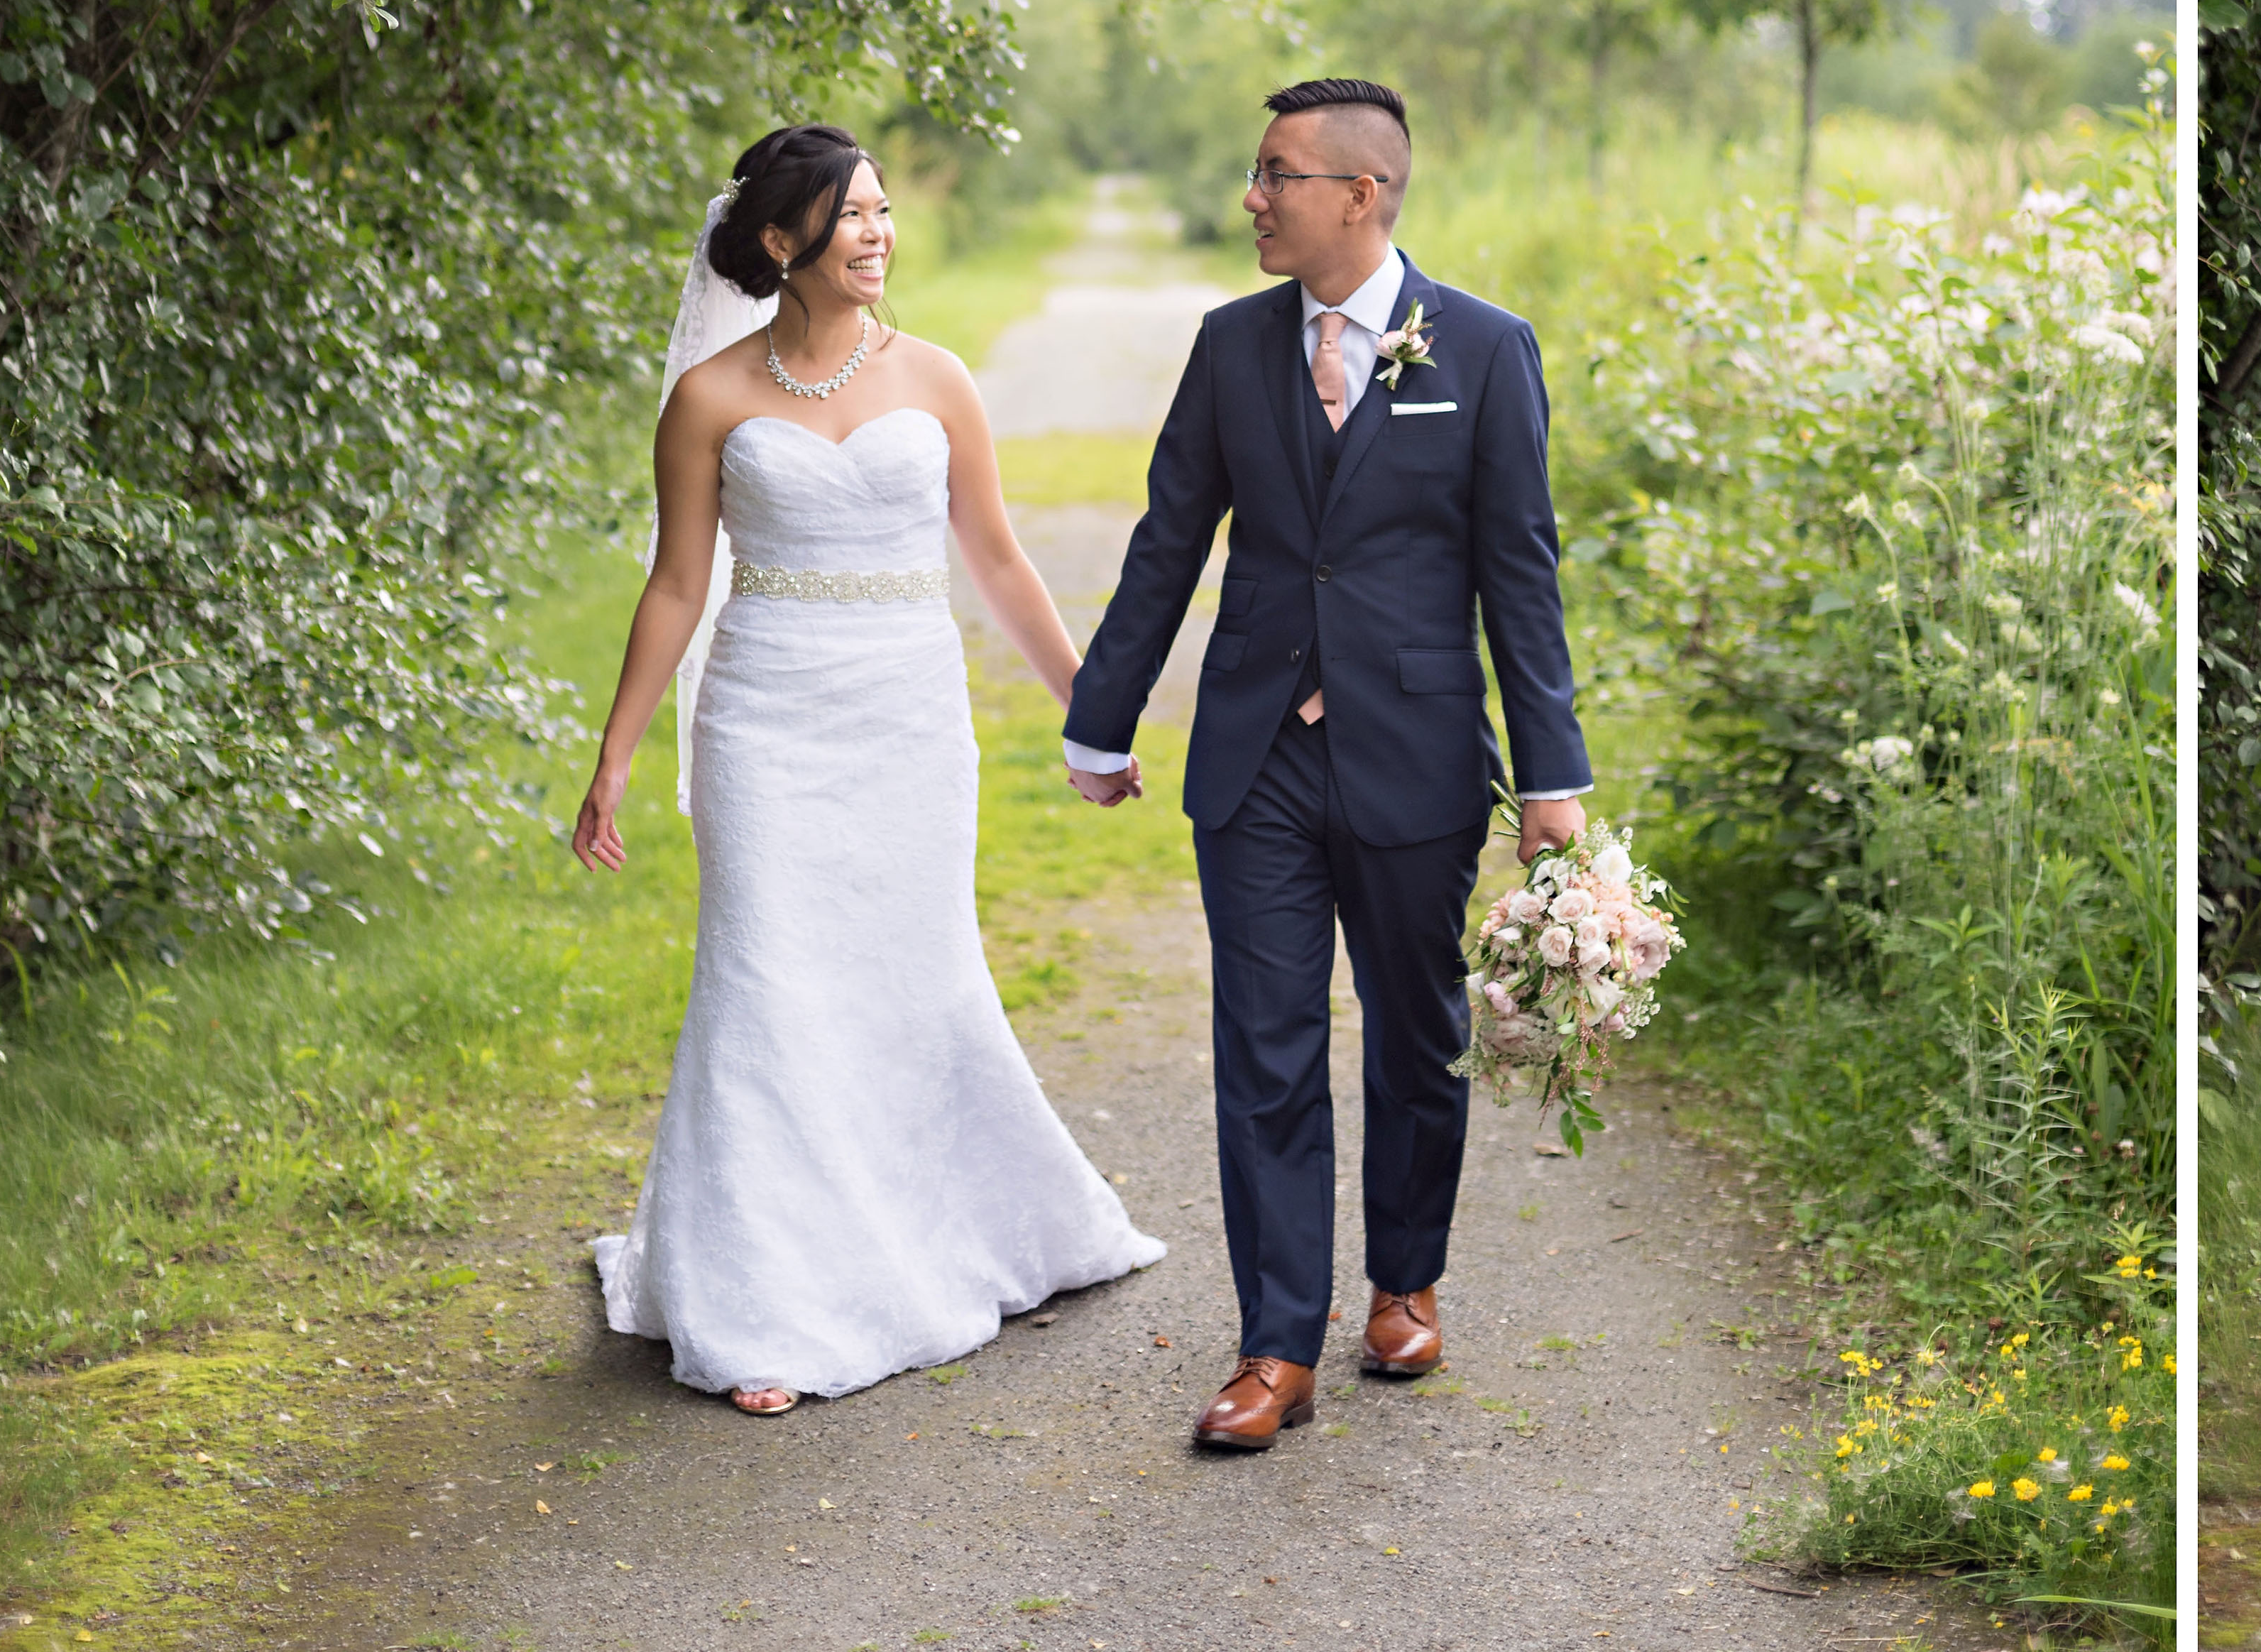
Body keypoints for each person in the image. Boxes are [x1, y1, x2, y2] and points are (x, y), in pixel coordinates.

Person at [574, 124, 1161, 1417]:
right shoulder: (711, 398)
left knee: (913, 972)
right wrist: (614, 755)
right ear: (781, 239)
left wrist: (1093, 715)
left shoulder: (940, 380)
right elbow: (678, 586)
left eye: (888, 212)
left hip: (905, 721)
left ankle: (936, 1229)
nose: (880, 234)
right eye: (853, 215)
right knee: (765, 984)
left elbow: (999, 563)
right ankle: (766, 1297)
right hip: (765, 728)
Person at [1056, 75, 1592, 1450]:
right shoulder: (1231, 347)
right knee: (1265, 1047)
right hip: (1256, 762)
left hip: (1414, 756)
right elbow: (1170, 540)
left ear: (1365, 192)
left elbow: (1517, 579)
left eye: (1278, 173)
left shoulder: (1481, 348)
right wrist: (1101, 719)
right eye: (1255, 172)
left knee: (1418, 1037)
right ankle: (1274, 1345)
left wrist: (1552, 775)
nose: (1254, 197)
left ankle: (1403, 1279)